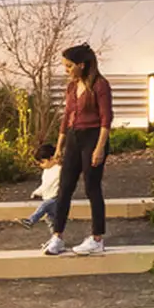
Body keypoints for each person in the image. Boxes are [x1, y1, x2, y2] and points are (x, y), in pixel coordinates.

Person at [43, 42, 113, 256]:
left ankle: (97, 238)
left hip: (93, 137)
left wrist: (99, 148)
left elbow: (106, 118)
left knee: (92, 188)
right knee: (64, 189)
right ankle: (57, 236)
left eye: (69, 66)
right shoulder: (72, 87)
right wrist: (60, 145)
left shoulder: (100, 85)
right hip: (74, 137)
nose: (66, 70)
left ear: (81, 65)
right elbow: (67, 117)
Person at [18, 139, 61, 226]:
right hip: (47, 197)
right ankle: (56, 237)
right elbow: (44, 185)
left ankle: (31, 220)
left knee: (44, 206)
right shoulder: (46, 171)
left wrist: (59, 160)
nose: (41, 165)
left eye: (42, 162)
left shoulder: (59, 169)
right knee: (52, 221)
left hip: (56, 199)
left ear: (52, 158)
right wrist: (37, 192)